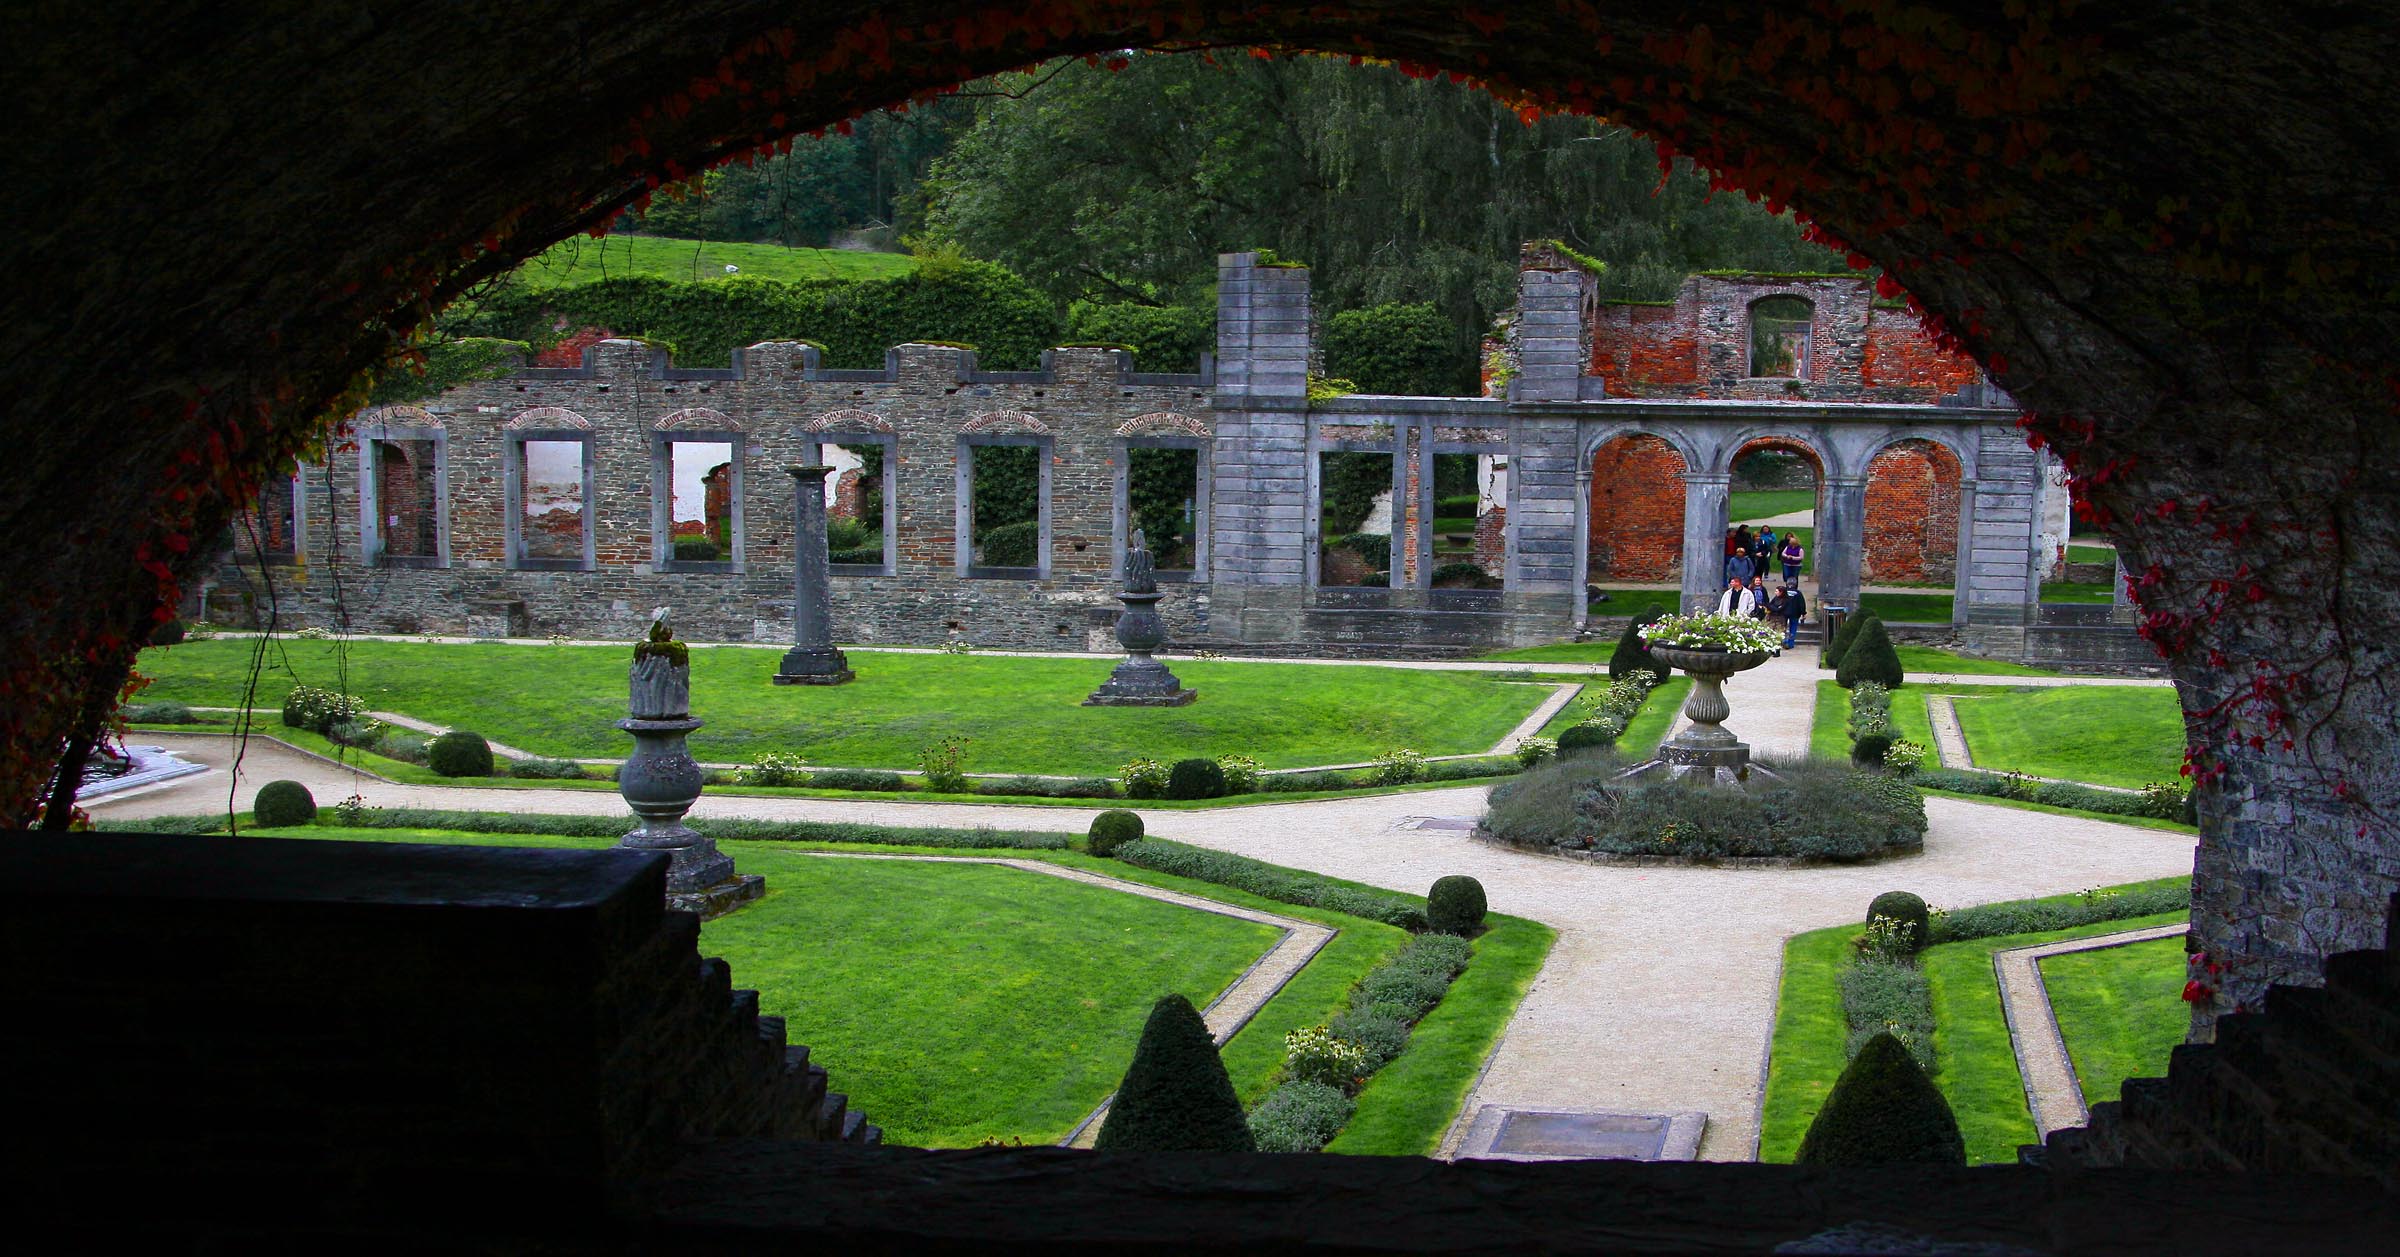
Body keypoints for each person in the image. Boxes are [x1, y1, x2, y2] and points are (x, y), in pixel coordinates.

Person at [1773, 582, 1807, 648]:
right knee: (1793, 628)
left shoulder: (1783, 592)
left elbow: (1776, 600)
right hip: (1795, 613)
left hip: (1783, 613)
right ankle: (1790, 643)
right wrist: (1803, 613)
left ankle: (1783, 641)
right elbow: (1801, 604)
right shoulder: (1798, 593)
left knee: (1782, 628)